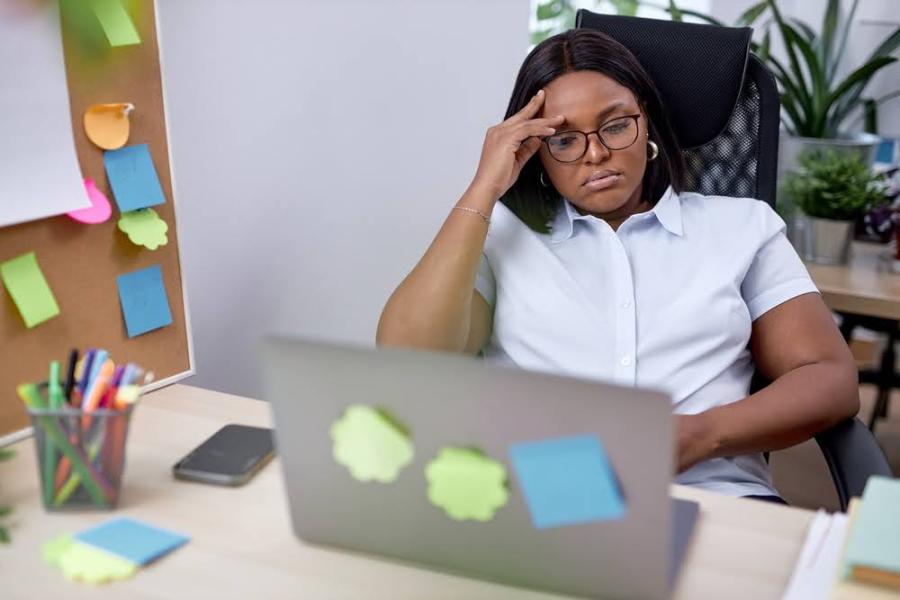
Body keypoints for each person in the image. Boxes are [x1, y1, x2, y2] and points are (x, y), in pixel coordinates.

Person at [376, 29, 859, 500]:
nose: (596, 153)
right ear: (534, 151)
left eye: (615, 125)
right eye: (563, 140)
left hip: (710, 495)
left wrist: (700, 435)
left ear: (645, 120)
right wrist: (485, 187)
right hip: (538, 499)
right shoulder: (500, 233)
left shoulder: (741, 226)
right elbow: (409, 356)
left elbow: (829, 378)